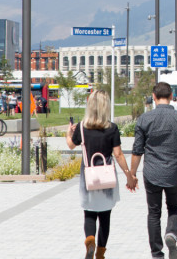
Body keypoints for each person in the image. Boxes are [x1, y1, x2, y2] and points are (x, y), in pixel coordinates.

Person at [130, 81, 177, 259]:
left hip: (151, 174)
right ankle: (171, 234)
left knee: (153, 213)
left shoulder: (144, 119)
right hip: (174, 173)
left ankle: (157, 254)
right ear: (172, 96)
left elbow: (137, 150)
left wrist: (132, 174)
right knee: (175, 208)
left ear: (154, 97)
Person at [66, 91, 135, 259]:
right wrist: (129, 175)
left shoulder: (82, 127)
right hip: (107, 176)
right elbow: (118, 154)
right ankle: (100, 253)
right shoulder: (111, 128)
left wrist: (69, 133)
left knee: (89, 212)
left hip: (88, 177)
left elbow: (71, 145)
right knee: (105, 215)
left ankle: (90, 240)